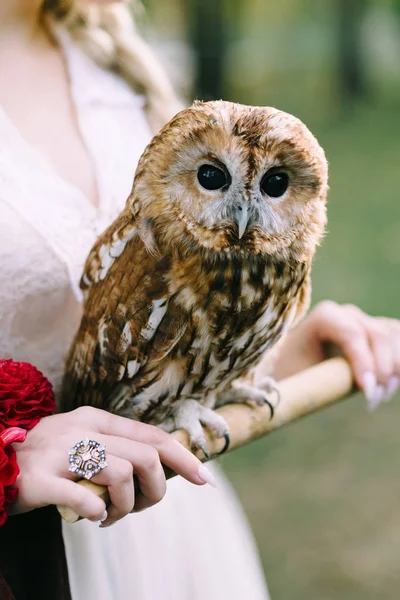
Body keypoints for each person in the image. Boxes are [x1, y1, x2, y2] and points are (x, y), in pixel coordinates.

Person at [0, 1, 398, 598]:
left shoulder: (105, 49)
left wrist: (272, 356)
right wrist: (6, 461)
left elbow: (153, 343)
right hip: (37, 549)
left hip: (172, 520)